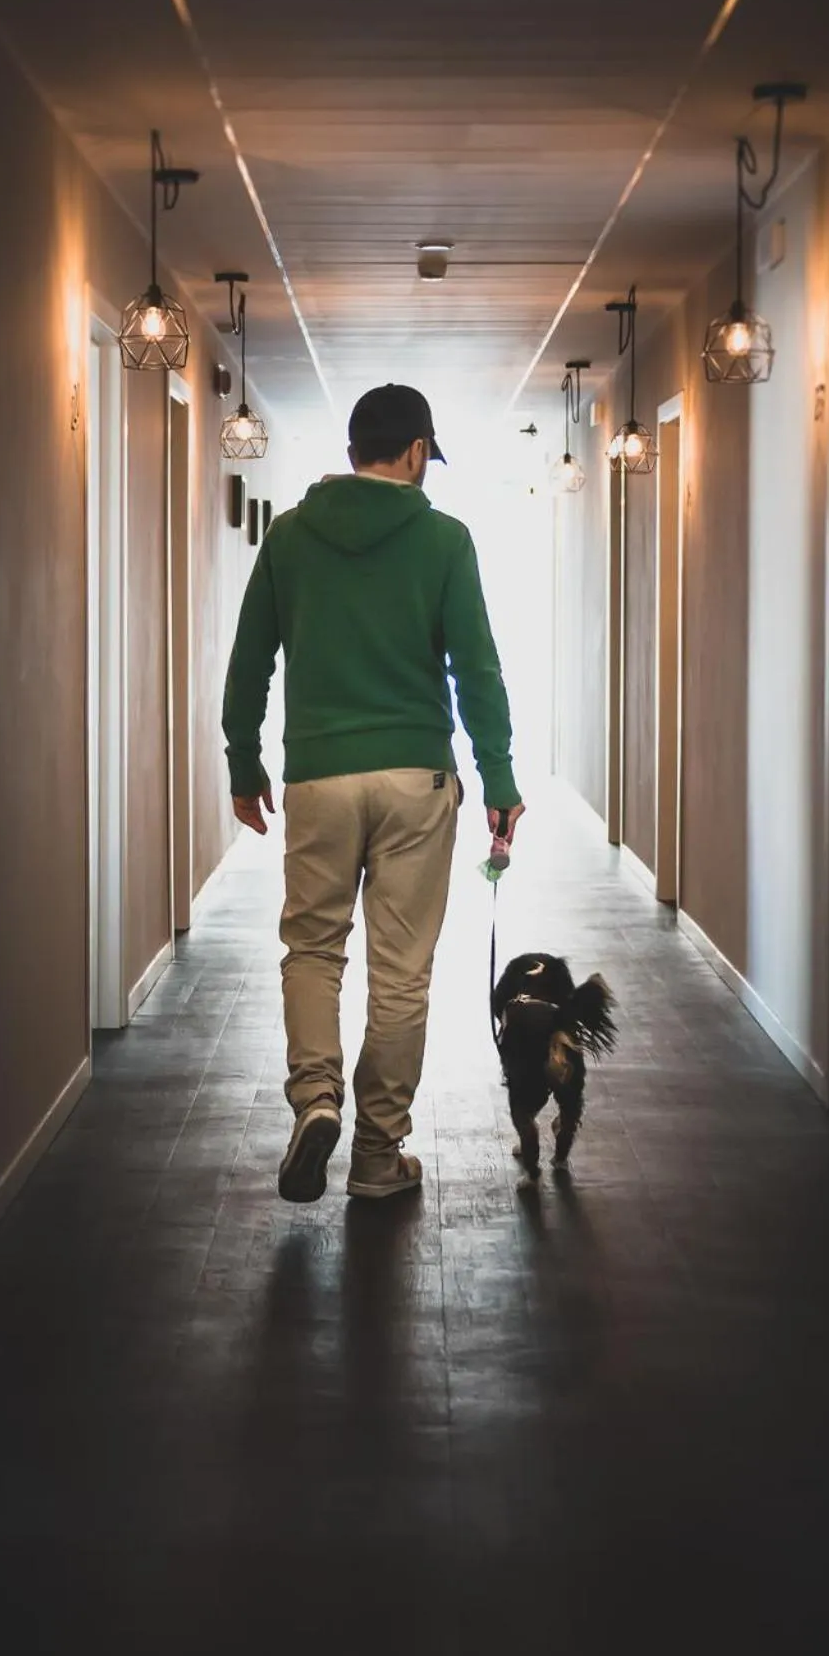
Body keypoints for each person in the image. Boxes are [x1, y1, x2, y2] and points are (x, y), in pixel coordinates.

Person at [222, 383, 523, 1203]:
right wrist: (498, 775)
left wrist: (242, 762)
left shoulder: (289, 537)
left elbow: (251, 661)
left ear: (354, 449)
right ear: (417, 451)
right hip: (415, 779)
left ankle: (315, 1099)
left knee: (313, 950)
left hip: (318, 775)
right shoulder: (445, 540)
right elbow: (477, 668)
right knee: (401, 975)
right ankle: (378, 1156)